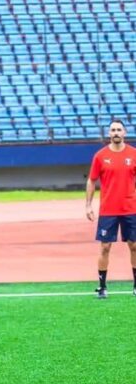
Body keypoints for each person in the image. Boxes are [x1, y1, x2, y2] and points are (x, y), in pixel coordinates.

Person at [86, 119, 136, 299]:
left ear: (124, 133)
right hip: (108, 209)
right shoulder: (100, 156)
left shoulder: (133, 154)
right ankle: (102, 286)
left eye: (119, 130)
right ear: (109, 133)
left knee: (134, 246)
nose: (116, 133)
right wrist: (88, 205)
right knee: (105, 247)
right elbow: (91, 180)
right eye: (113, 130)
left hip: (130, 208)